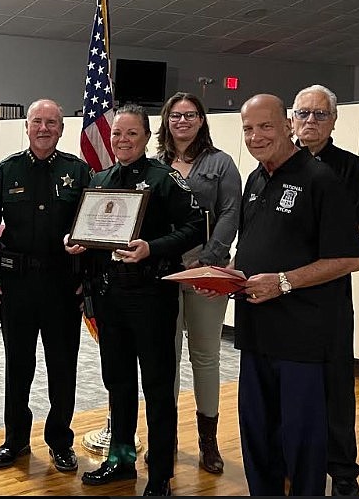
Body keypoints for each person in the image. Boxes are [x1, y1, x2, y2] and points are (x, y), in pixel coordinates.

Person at [65, 103, 204, 496]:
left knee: (157, 387)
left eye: (131, 134)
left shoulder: (164, 179)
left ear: (146, 137)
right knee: (119, 383)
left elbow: (197, 227)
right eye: (116, 134)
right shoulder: (102, 178)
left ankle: (160, 474)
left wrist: (153, 247)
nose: (122, 140)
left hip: (151, 295)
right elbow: (93, 232)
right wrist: (76, 242)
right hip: (110, 296)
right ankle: (121, 460)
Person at [233, 94, 359, 496]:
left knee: (303, 445)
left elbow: (348, 258)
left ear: (288, 125)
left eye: (265, 126)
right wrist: (226, 279)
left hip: (302, 342)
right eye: (248, 129)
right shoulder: (255, 179)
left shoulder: (322, 180)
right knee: (257, 437)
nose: (256, 137)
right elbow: (254, 249)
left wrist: (283, 282)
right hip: (255, 334)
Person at [0, 99, 91, 473]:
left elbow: (93, 232)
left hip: (63, 285)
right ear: (26, 127)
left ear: (61, 129)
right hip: (18, 284)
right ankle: (15, 440)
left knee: (63, 366)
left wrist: (87, 282)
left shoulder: (78, 172)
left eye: (51, 123)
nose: (43, 128)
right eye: (37, 122)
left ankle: (61, 440)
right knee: (18, 365)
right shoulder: (5, 171)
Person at [291, 84, 359, 496]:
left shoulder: (350, 168)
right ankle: (292, 462)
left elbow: (353, 231)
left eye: (320, 114)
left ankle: (342, 473)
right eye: (303, 113)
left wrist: (299, 236)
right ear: (291, 118)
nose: (310, 121)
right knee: (287, 386)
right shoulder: (276, 164)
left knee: (336, 388)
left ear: (334, 120)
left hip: (328, 299)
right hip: (283, 299)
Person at [154, 92, 242, 475]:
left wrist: (210, 259)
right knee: (165, 356)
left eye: (190, 115)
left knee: (205, 356)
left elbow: (231, 211)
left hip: (206, 272)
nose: (183, 121)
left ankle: (208, 441)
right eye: (176, 115)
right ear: (166, 120)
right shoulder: (154, 163)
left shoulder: (221, 164)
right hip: (162, 272)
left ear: (202, 120)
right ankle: (166, 436)